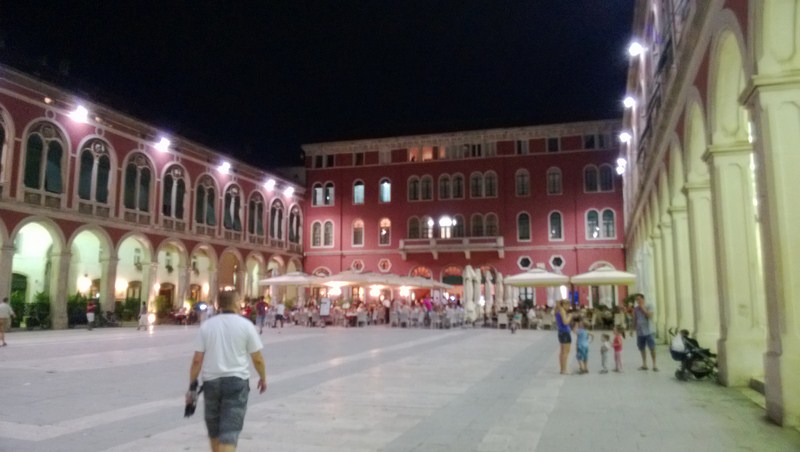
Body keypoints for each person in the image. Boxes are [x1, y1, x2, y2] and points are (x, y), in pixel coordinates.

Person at [188, 291, 267, 452]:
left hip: (211, 383)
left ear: (219, 305)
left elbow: (197, 360)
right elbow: (257, 358)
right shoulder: (246, 325)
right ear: (237, 303)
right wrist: (263, 377)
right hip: (236, 382)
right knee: (229, 431)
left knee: (214, 430)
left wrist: (192, 385)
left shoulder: (207, 326)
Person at [632, 293, 657, 371]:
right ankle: (644, 364)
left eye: (639, 299)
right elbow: (635, 319)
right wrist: (632, 329)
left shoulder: (649, 306)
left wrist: (643, 308)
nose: (638, 301)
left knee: (652, 348)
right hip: (640, 332)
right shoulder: (636, 309)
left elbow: (649, 316)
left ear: (643, 299)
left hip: (649, 331)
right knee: (641, 348)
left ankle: (654, 365)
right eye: (637, 300)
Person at [555, 299, 572, 374]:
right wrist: (570, 317)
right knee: (566, 352)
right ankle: (564, 369)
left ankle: (562, 369)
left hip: (560, 332)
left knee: (562, 352)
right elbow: (565, 322)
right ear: (564, 305)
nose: (569, 307)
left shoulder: (557, 310)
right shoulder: (562, 311)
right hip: (565, 332)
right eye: (568, 305)